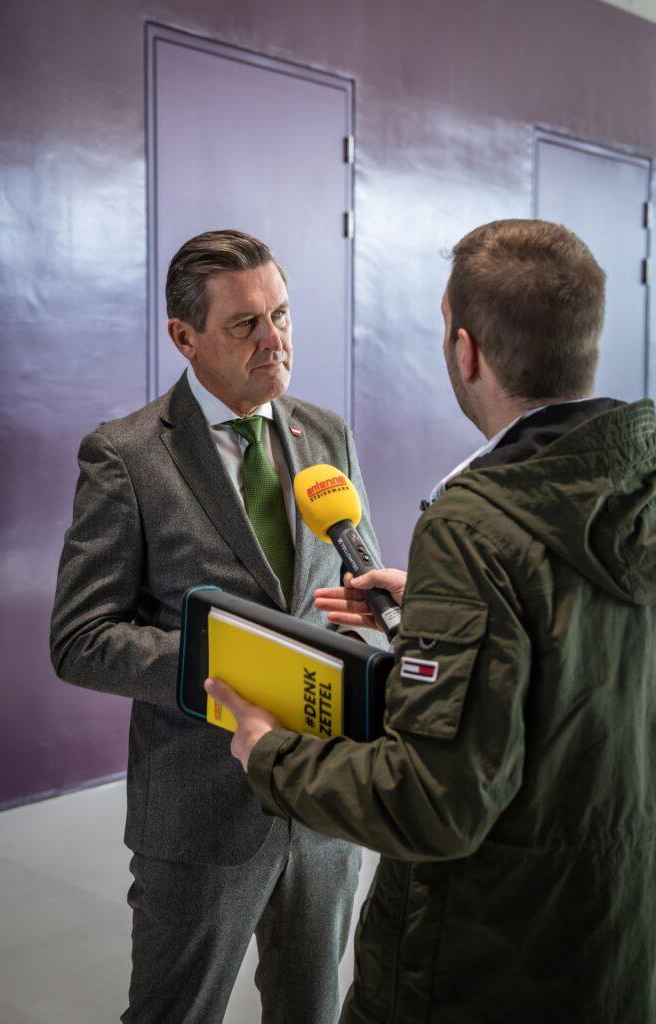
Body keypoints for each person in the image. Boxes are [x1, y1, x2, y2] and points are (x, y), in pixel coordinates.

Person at [206, 219, 656, 1024]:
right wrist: (446, 617)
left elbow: (433, 803)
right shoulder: (635, 487)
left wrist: (269, 754)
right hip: (613, 937)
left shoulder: (475, 527)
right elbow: (595, 656)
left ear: (465, 351)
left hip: (484, 956)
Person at [50, 229, 383, 1024]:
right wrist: (236, 668)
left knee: (311, 1009)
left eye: (281, 315)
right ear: (184, 336)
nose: (274, 341)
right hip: (200, 811)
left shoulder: (324, 434)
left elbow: (354, 581)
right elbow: (81, 639)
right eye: (245, 324)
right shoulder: (126, 456)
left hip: (322, 797)